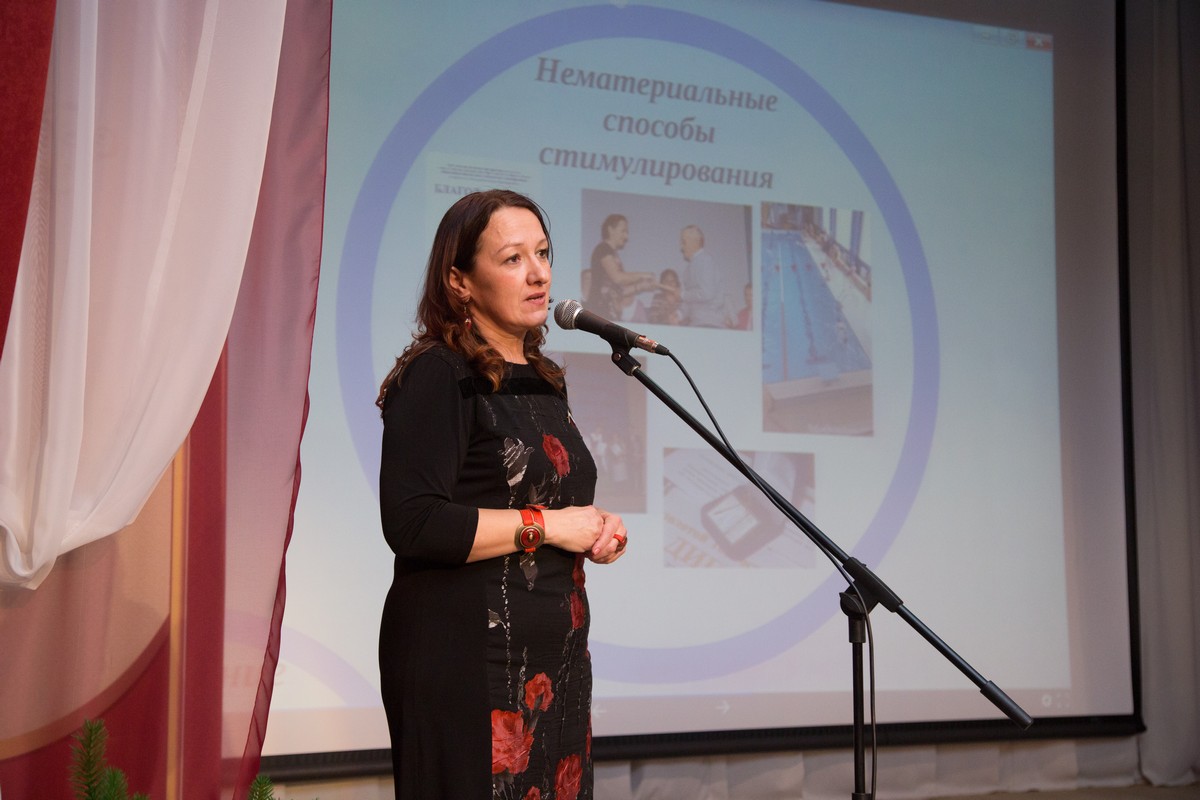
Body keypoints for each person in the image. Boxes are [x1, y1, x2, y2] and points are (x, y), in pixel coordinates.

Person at [375, 189, 629, 800]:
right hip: (468, 663)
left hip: (552, 667)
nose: (539, 273)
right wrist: (549, 525)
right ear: (459, 281)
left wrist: (594, 527)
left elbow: (532, 497)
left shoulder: (542, 379)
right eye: (513, 258)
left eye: (542, 253)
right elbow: (413, 521)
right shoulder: (438, 372)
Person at [585, 213, 657, 319]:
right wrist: (644, 275)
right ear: (610, 229)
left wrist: (641, 287)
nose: (626, 237)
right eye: (623, 231)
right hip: (598, 312)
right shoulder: (603, 249)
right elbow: (618, 278)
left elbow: (619, 291)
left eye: (627, 232)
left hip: (608, 315)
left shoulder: (612, 256)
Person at [679, 224, 729, 327]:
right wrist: (678, 315)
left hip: (709, 324)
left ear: (695, 242)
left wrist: (682, 295)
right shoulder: (689, 268)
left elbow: (706, 293)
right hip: (697, 324)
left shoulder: (705, 261)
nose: (681, 247)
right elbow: (692, 300)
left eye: (684, 242)